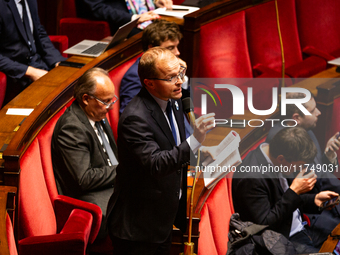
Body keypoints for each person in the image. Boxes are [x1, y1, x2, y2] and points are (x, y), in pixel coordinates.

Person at [106, 47, 215, 255]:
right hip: (138, 227)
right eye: (171, 77)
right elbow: (156, 163)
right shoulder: (135, 118)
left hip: (164, 217)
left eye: (180, 74)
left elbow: (175, 145)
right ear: (149, 83)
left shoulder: (174, 101)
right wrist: (195, 141)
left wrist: (200, 153)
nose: (179, 81)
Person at [232, 127, 339, 254]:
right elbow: (263, 225)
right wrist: (294, 191)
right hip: (284, 240)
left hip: (300, 225)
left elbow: (283, 198)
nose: (299, 169)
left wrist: (313, 200)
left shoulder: (277, 156)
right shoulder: (251, 178)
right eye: (299, 165)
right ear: (281, 159)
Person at [52, 67, 118, 239]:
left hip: (109, 185)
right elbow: (84, 179)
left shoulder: (96, 113)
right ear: (86, 99)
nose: (110, 107)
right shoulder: (72, 128)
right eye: (105, 101)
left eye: (112, 100)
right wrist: (124, 170)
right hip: (89, 200)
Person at [266, 91, 340, 241]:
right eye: (313, 110)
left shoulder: (307, 130)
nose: (319, 113)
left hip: (326, 197)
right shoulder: (284, 144)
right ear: (296, 118)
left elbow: (318, 172)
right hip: (310, 211)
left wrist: (329, 156)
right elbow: (299, 188)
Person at [0, 0, 66, 105]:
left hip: (40, 65)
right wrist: (30, 72)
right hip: (16, 76)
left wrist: (57, 61)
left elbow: (39, 33)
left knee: (79, 85)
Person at [120, 19, 187, 115]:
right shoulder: (135, 75)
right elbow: (129, 114)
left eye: (177, 46)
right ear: (151, 48)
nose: (177, 52)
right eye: (170, 48)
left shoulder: (175, 66)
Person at [76, 0, 172, 37]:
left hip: (146, 15)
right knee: (160, 35)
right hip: (118, 23)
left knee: (173, 28)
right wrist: (133, 18)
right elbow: (95, 8)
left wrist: (155, 2)